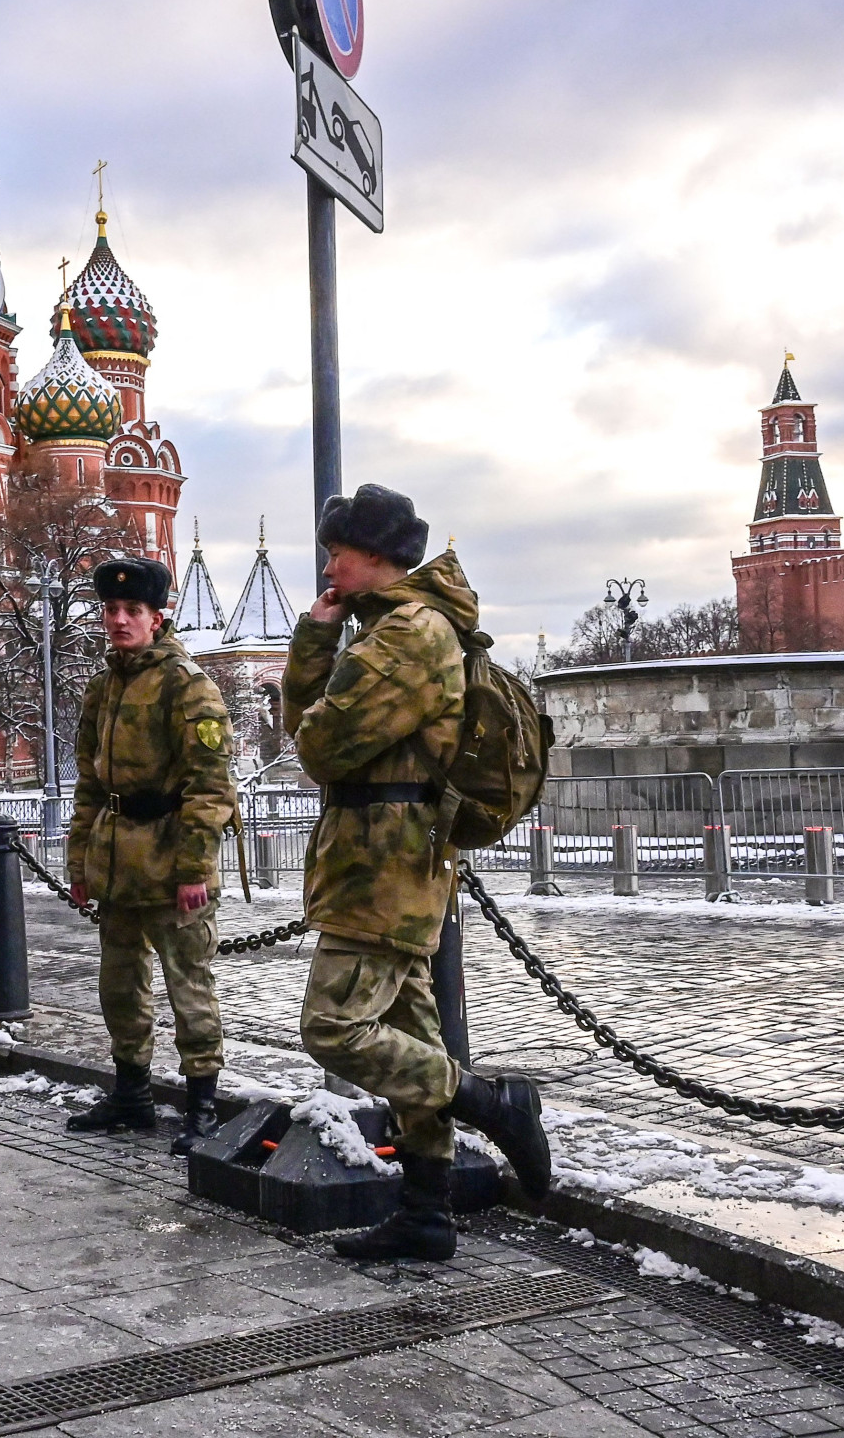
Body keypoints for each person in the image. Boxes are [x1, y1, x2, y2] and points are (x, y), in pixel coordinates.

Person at [283, 484, 551, 1262]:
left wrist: (321, 667)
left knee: (333, 1028)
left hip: (386, 860)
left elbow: (319, 748)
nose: (329, 562)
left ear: (377, 556)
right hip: (379, 850)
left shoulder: (410, 635)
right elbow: (311, 730)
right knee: (410, 1032)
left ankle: (497, 1105)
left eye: (339, 549)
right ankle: (426, 1210)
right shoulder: (384, 630)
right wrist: (315, 636)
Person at [62, 556, 240, 1154]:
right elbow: (90, 783)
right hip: (117, 862)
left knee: (188, 986)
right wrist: (79, 862)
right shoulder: (103, 685)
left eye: (131, 611)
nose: (118, 620)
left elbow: (210, 785)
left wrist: (195, 869)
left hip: (170, 859)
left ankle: (202, 1106)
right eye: (110, 610)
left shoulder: (187, 684)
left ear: (157, 617)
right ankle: (132, 1096)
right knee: (120, 986)